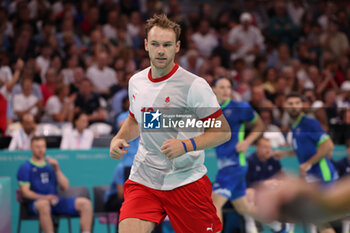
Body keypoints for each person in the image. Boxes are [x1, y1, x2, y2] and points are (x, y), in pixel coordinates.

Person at [109, 14, 231, 233]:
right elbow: (137, 121)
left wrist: (186, 145)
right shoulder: (136, 82)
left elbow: (222, 132)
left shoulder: (195, 86)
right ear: (146, 45)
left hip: (185, 180)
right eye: (155, 44)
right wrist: (119, 138)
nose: (161, 50)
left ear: (177, 46)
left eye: (167, 45)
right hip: (144, 179)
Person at [273, 92, 338, 233]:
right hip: (312, 178)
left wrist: (308, 163)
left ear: (302, 105)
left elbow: (328, 145)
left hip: (323, 176)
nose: (294, 106)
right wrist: (284, 153)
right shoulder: (295, 126)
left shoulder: (309, 123)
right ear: (285, 106)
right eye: (291, 104)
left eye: (297, 103)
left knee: (318, 218)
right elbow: (303, 149)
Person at [211, 77, 265, 233]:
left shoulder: (240, 107)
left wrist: (248, 141)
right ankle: (279, 225)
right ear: (213, 89)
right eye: (221, 87)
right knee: (244, 207)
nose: (225, 90)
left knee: (214, 204)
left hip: (234, 164)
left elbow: (260, 125)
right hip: (225, 166)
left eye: (228, 87)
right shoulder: (209, 110)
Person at [17, 136, 93, 233]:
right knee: (44, 205)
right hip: (37, 203)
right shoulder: (25, 167)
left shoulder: (50, 165)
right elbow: (25, 193)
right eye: (37, 147)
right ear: (31, 148)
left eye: (43, 146)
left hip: (55, 201)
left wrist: (57, 169)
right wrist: (45, 197)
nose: (41, 150)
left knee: (85, 203)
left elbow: (65, 186)